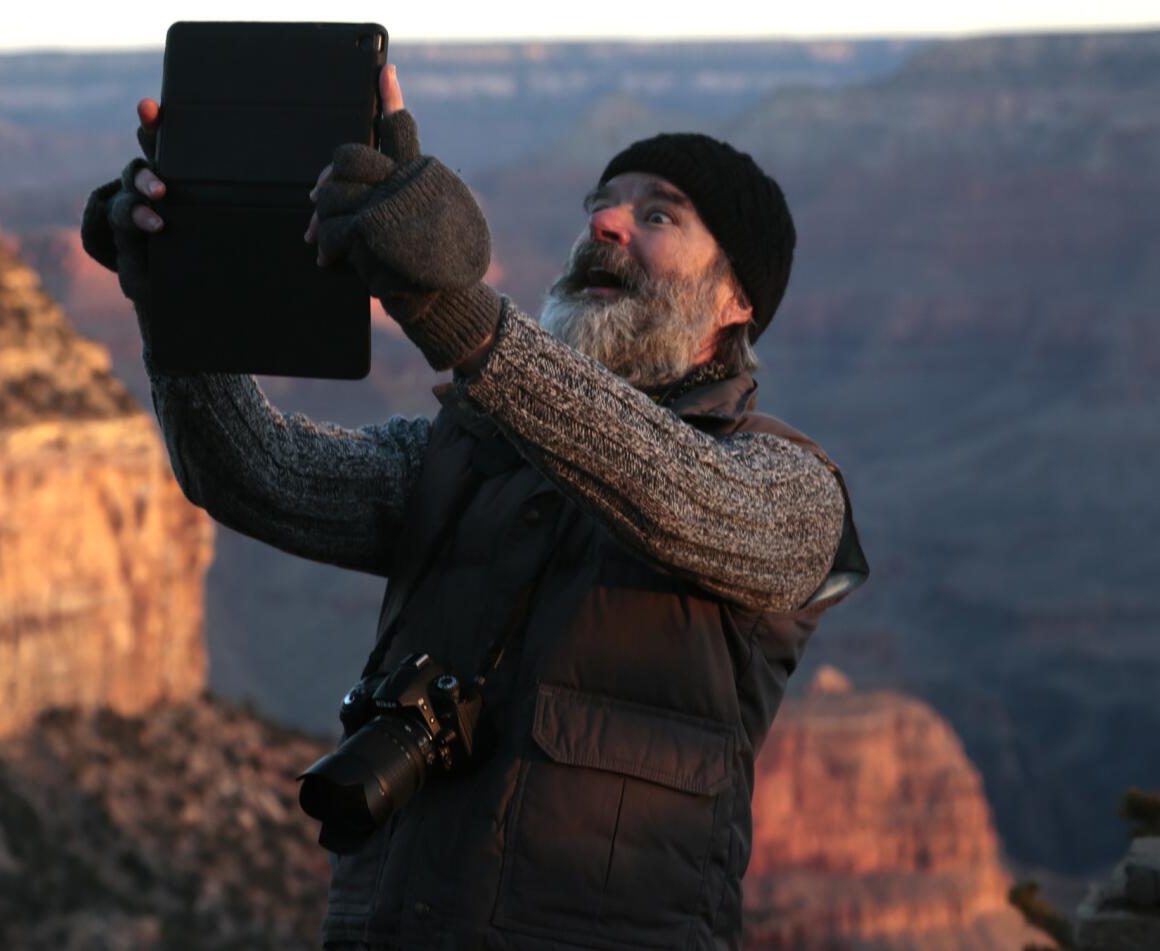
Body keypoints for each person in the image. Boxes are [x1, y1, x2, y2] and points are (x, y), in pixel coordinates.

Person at [81, 64, 867, 951]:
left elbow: (680, 493)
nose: (606, 224)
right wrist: (177, 299)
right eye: (601, 206)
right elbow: (258, 472)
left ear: (738, 300)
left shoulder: (789, 486)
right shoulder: (468, 452)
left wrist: (447, 307)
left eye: (658, 216)